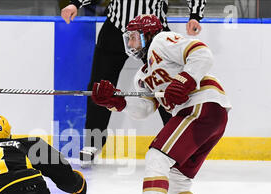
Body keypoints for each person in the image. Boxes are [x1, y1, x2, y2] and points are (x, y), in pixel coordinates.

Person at [90, 14, 231, 194]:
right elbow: (142, 110)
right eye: (128, 38)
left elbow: (202, 53)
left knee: (157, 156)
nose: (130, 43)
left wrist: (185, 79)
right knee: (179, 178)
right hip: (211, 115)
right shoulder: (143, 75)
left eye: (134, 37)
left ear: (147, 35)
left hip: (202, 104)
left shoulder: (162, 41)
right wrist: (116, 102)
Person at [61, 0, 207, 166]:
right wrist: (75, 4)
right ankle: (93, 142)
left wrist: (195, 15)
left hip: (153, 32)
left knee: (168, 84)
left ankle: (180, 141)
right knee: (99, 85)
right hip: (117, 27)